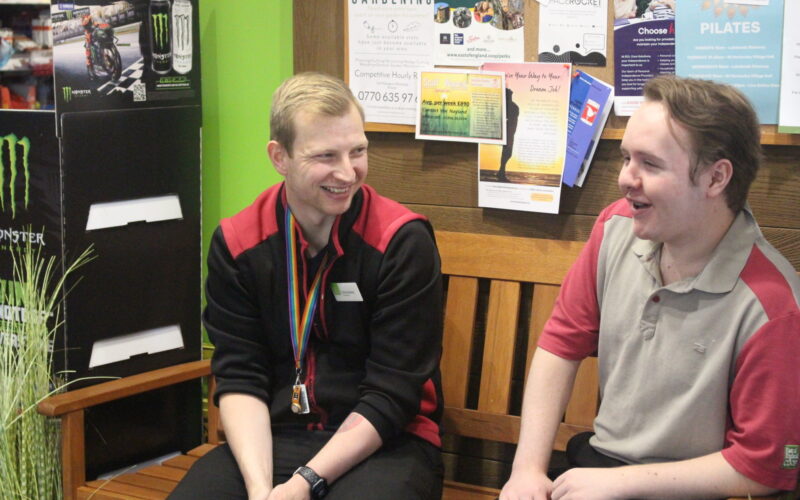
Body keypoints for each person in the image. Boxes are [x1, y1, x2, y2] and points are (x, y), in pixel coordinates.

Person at [499, 75, 800, 499]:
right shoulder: (615, 227)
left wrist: (620, 485)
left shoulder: (773, 306)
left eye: (650, 164)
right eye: (625, 159)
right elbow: (560, 345)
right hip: (598, 465)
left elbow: (765, 467)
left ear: (716, 179)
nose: (626, 179)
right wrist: (527, 470)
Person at [170, 72, 444, 500]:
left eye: (358, 151)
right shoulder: (239, 243)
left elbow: (394, 394)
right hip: (274, 437)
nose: (347, 172)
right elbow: (239, 375)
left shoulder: (400, 241)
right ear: (279, 157)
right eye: (325, 156)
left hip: (386, 441)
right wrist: (262, 490)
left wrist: (303, 485)